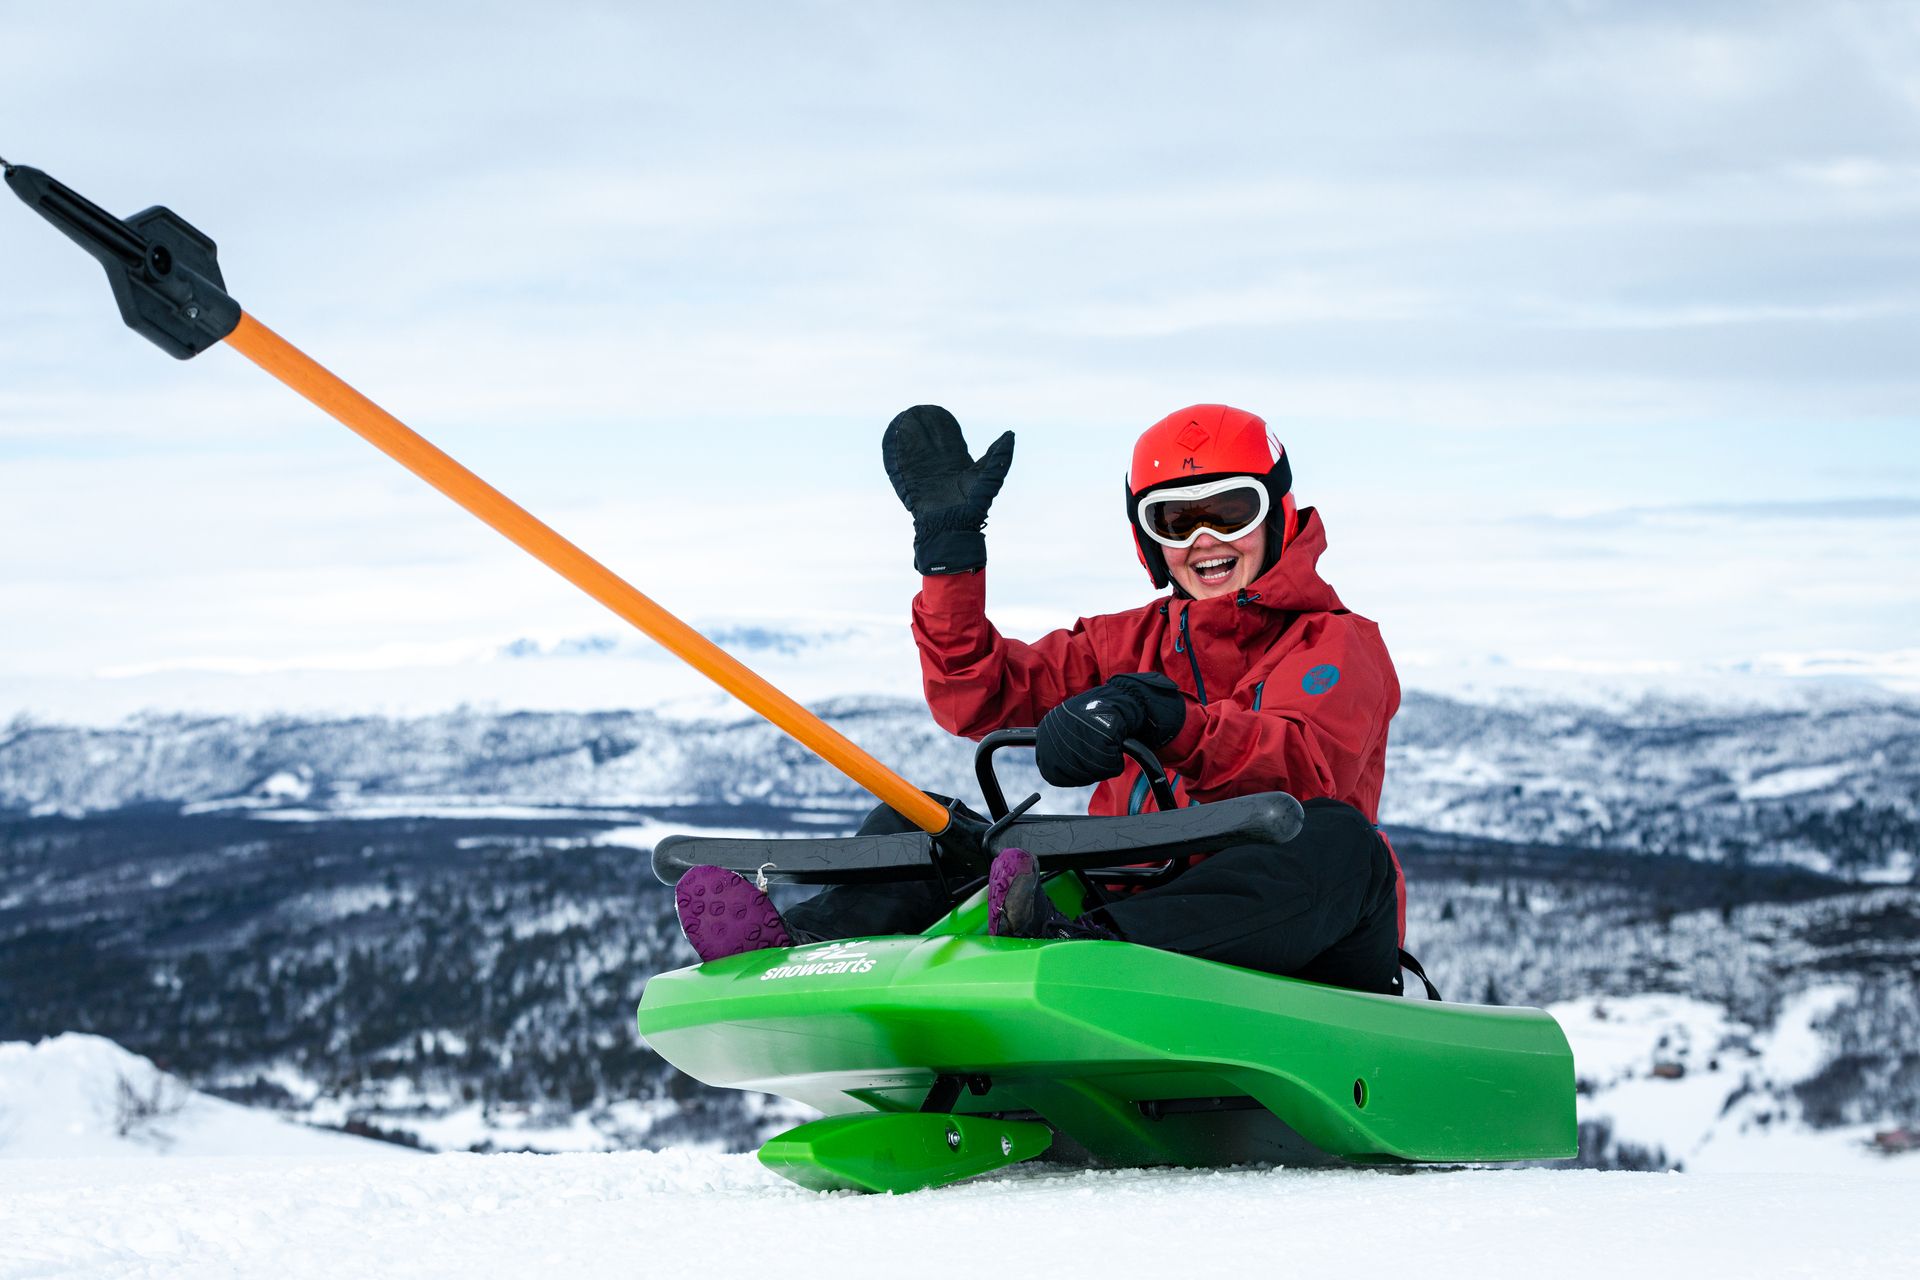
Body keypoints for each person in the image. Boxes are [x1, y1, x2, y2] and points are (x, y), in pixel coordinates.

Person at [675, 403, 1407, 995]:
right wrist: (950, 563)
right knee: (918, 822)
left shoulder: (1338, 645)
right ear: (1148, 539)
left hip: (1297, 945)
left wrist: (1169, 720)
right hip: (1122, 901)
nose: (1205, 540)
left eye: (1230, 512)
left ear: (1275, 514)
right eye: (1177, 522)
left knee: (1338, 841)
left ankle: (1082, 957)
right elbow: (979, 693)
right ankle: (805, 951)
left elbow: (1303, 771)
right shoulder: (1124, 643)